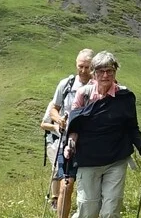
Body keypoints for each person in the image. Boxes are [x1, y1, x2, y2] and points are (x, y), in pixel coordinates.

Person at [64, 51, 141, 218]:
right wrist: (71, 144)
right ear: (93, 73)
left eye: (110, 71)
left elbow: (132, 127)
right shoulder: (83, 94)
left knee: (111, 210)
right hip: (88, 160)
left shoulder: (124, 97)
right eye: (101, 71)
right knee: (88, 209)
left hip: (116, 160)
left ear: (115, 71)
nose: (105, 75)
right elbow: (74, 126)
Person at [50, 48, 94, 218]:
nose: (83, 71)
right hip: (67, 141)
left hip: (91, 142)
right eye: (80, 66)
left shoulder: (99, 85)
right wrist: (59, 119)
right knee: (66, 185)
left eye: (87, 67)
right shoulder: (66, 85)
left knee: (89, 187)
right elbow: (54, 109)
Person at [41, 100, 63, 211]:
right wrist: (55, 127)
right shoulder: (53, 104)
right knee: (58, 168)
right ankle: (55, 200)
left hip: (67, 142)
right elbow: (43, 124)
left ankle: (63, 199)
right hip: (53, 142)